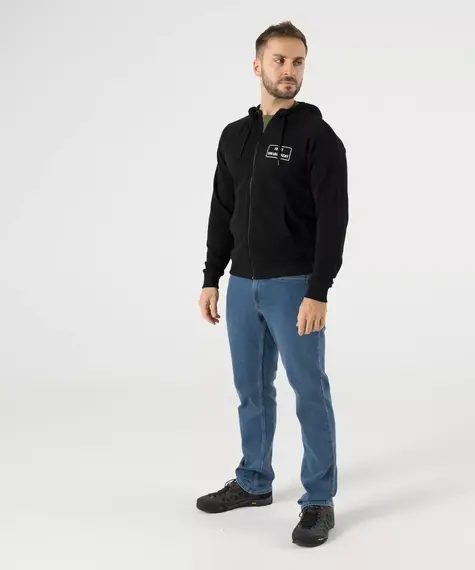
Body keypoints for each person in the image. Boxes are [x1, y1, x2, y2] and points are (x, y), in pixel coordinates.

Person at [196, 20, 349, 547]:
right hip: (242, 284)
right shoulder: (234, 137)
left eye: (298, 61)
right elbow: (222, 210)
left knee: (309, 391)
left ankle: (319, 499)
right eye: (280, 60)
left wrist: (319, 289)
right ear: (257, 64)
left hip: (294, 286)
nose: (289, 70)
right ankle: (253, 480)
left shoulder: (318, 137)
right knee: (251, 390)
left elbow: (334, 219)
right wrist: (212, 277)